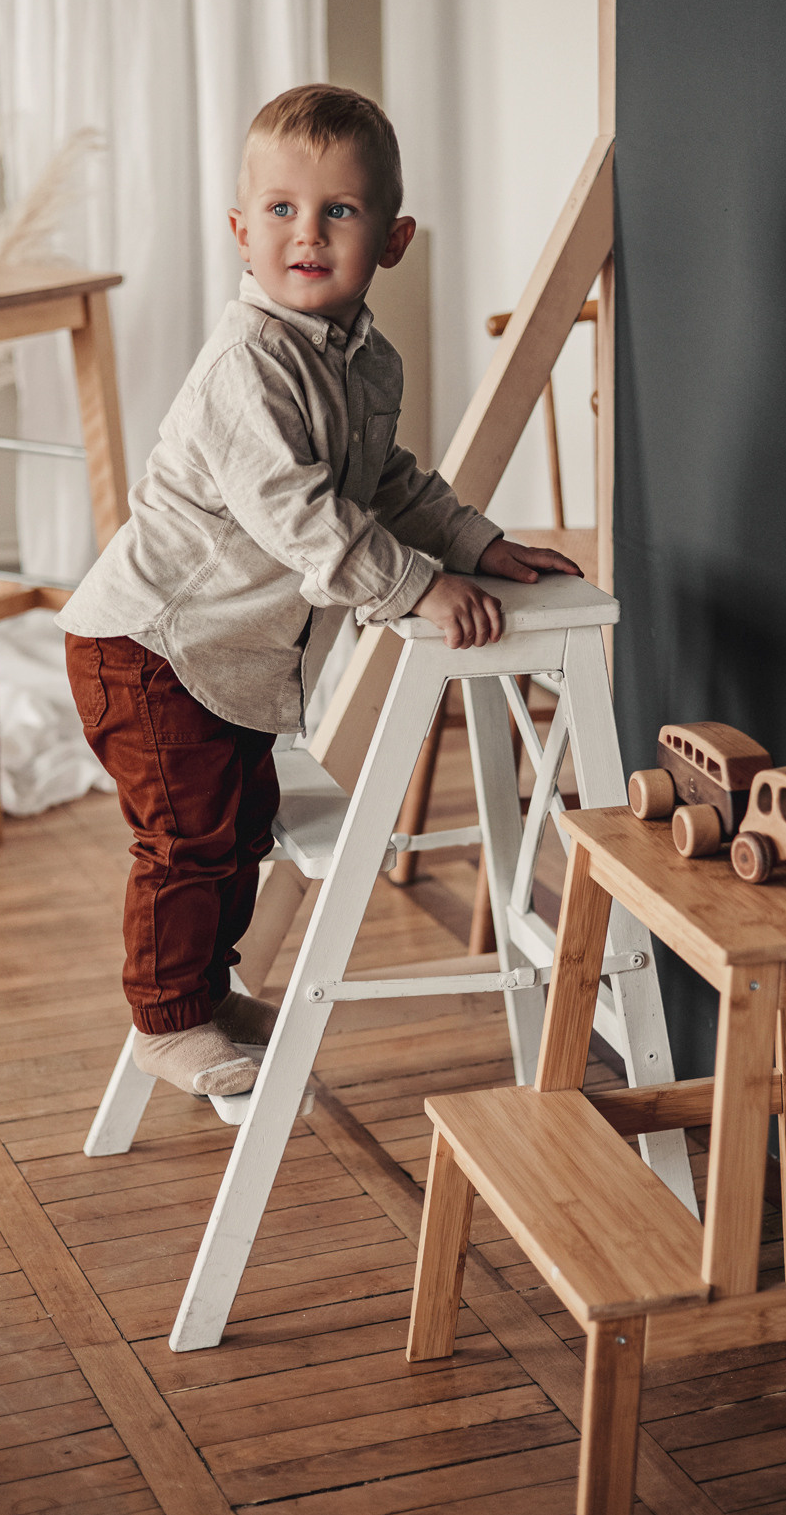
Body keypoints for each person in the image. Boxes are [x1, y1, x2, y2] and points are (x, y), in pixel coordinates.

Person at [60, 84, 578, 1100]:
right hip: (155, 645)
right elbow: (301, 517)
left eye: (340, 210)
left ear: (393, 239)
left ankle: (206, 992)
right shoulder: (247, 367)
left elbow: (388, 484)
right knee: (187, 840)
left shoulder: (365, 363)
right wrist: (418, 589)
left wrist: (479, 545)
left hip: (230, 658)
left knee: (240, 826)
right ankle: (167, 1020)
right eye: (283, 209)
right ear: (240, 231)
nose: (309, 233)